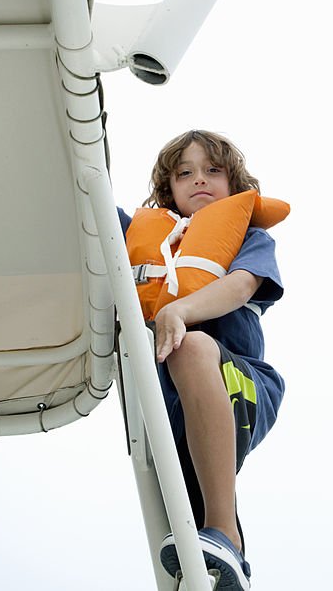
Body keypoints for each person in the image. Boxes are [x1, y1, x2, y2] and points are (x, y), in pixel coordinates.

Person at [117, 129, 286, 590]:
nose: (199, 180)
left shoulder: (249, 237)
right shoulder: (137, 234)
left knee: (190, 346)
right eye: (184, 173)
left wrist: (180, 309)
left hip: (241, 387)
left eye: (213, 170)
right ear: (167, 188)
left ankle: (225, 531)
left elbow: (242, 285)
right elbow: (77, 204)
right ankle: (222, 559)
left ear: (234, 183)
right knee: (182, 525)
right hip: (165, 401)